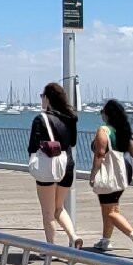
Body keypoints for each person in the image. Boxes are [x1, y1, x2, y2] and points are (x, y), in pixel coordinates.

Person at [89, 99, 133, 258]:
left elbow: (99, 155)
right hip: (124, 172)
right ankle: (105, 240)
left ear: (107, 115)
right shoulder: (124, 131)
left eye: (102, 112)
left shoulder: (103, 130)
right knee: (111, 208)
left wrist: (93, 175)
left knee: (110, 211)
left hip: (109, 173)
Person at [28, 82, 84, 250]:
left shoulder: (41, 119)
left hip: (49, 167)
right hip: (67, 165)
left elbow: (32, 146)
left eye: (42, 96)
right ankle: (73, 236)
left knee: (48, 212)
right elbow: (72, 142)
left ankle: (50, 249)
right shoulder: (71, 118)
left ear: (47, 98)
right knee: (59, 207)